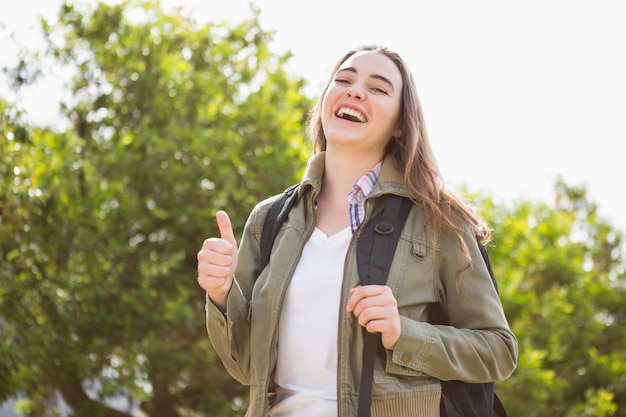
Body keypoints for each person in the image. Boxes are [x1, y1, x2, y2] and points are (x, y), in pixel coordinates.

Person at [197, 44, 518, 417]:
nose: (355, 91)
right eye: (344, 80)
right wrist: (221, 295)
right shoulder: (269, 220)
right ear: (325, 103)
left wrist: (404, 333)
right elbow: (245, 368)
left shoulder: (438, 221)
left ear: (400, 124)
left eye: (378, 88)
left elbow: (498, 351)